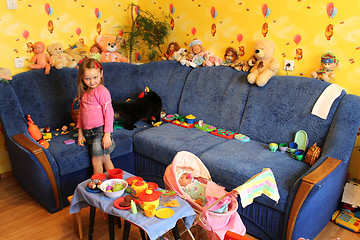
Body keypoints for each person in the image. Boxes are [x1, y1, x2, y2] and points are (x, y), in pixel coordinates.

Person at [76, 58, 115, 174]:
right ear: (82, 78)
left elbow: (109, 113)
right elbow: (81, 114)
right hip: (89, 132)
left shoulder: (102, 91)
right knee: (105, 158)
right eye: (87, 79)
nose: (92, 82)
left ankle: (98, 184)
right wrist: (80, 132)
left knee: (96, 161)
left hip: (100, 131)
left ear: (101, 74)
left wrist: (107, 135)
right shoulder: (85, 93)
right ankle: (115, 182)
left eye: (95, 77)